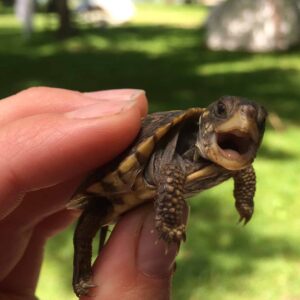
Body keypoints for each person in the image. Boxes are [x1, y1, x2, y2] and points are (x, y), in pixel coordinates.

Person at [0, 87, 187, 300]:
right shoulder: (180, 152)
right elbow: (170, 171)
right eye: (221, 112)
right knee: (86, 229)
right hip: (114, 186)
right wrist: (170, 223)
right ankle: (81, 275)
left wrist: (236, 194)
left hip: (147, 185)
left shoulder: (218, 157)